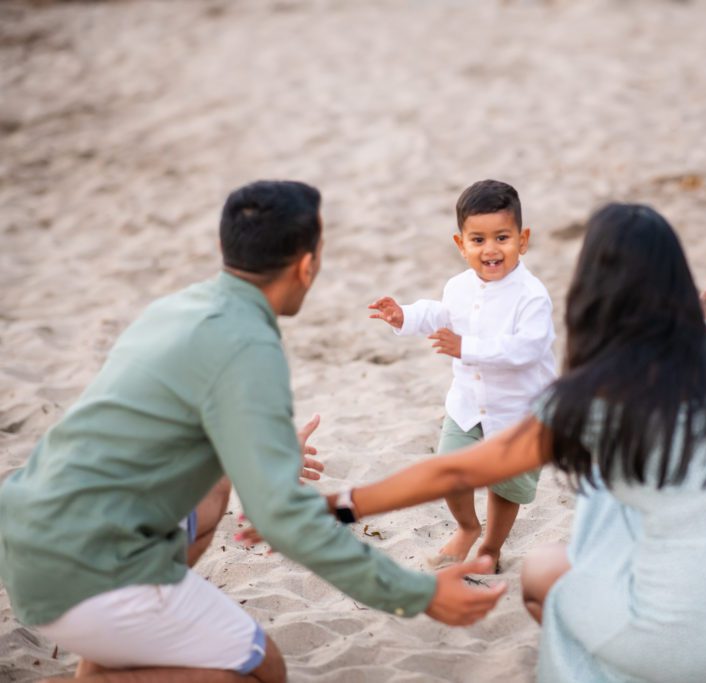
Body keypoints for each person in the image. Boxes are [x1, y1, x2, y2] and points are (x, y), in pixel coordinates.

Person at [0, 180, 505, 683]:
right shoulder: (249, 344)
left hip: (26, 536)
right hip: (85, 572)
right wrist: (418, 593)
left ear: (228, 248)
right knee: (262, 669)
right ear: (307, 265)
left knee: (215, 489)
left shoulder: (176, 307)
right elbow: (282, 518)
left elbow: (155, 429)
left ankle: (113, 649)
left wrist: (267, 449)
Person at [335, 203, 706, 682]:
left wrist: (335, 506)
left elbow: (457, 471)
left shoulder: (592, 395)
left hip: (677, 642)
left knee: (542, 571)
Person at [368, 179, 556, 571]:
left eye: (502, 237)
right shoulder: (458, 286)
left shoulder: (531, 295)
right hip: (469, 405)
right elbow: (439, 314)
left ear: (523, 240)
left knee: (508, 487)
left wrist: (466, 348)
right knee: (450, 472)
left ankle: (491, 546)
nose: (490, 249)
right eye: (478, 240)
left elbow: (528, 349)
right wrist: (404, 316)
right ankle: (467, 527)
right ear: (461, 245)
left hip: (519, 413)